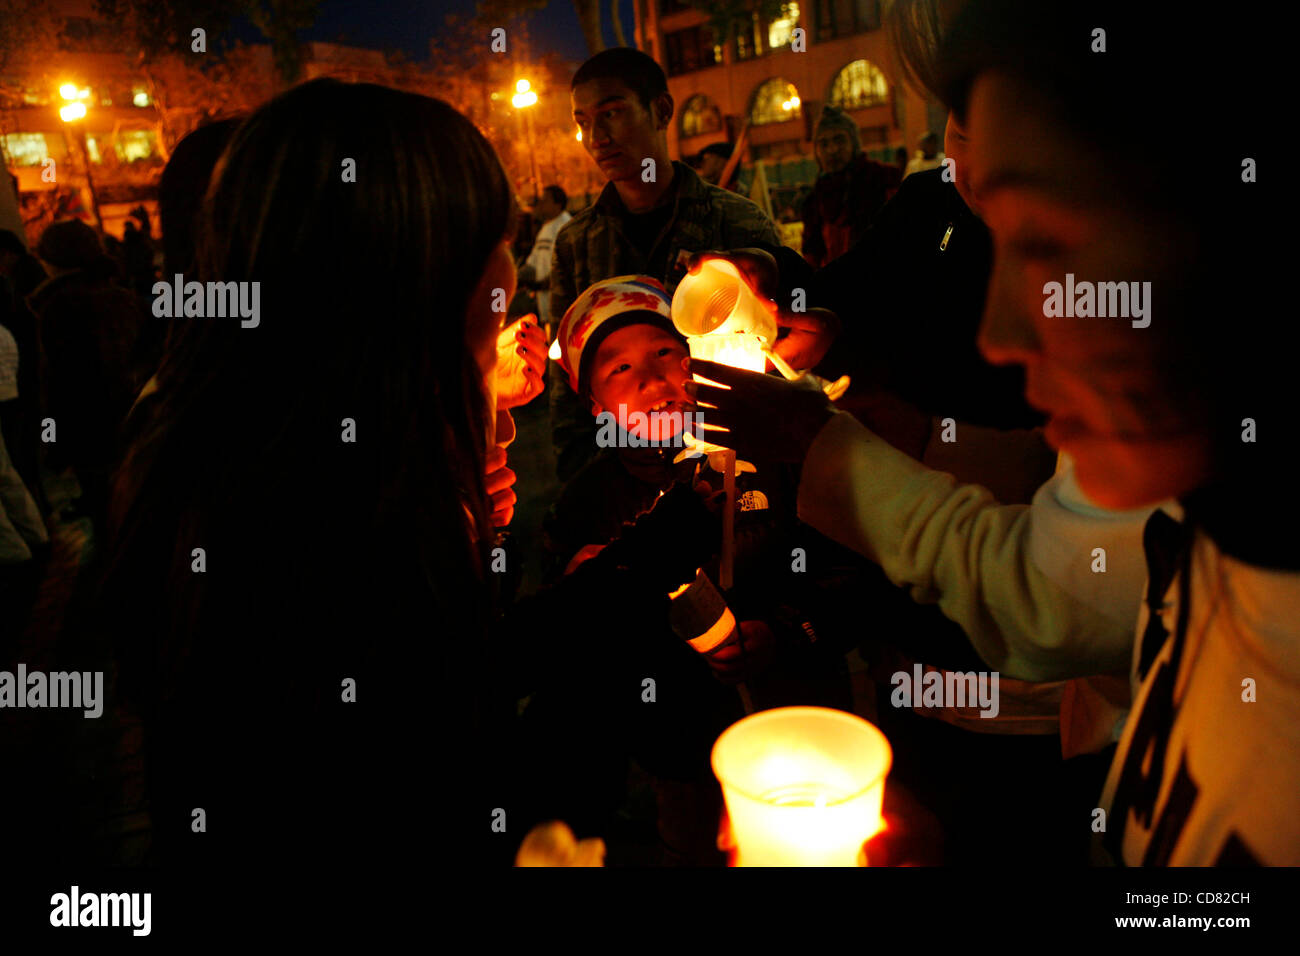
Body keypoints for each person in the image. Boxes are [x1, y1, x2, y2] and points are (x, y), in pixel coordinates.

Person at [51, 78, 719, 875]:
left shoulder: (276, 444)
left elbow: (450, 675)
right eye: (489, 252)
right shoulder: (302, 531)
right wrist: (615, 634)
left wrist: (602, 579)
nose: (509, 289)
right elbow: (444, 791)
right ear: (405, 289)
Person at [687, 0, 1293, 865]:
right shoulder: (1203, 578)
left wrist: (860, 445)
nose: (1001, 336)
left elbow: (1041, 595)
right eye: (954, 132)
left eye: (1048, 247)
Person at [549, 46, 784, 483]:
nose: (595, 136)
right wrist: (581, 479)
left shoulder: (734, 221)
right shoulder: (576, 242)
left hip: (731, 463)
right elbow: (568, 381)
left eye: (612, 113)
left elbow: (782, 345)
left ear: (660, 110)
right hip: (623, 472)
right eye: (582, 122)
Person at [27, 220, 146, 529]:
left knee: (107, 516)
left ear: (53, 260)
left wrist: (54, 443)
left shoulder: (57, 308)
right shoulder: (121, 297)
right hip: (134, 419)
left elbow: (61, 384)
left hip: (90, 430)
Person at [800, 105, 902, 268]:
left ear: (854, 143)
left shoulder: (883, 180)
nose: (832, 150)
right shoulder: (814, 201)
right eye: (823, 144)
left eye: (839, 140)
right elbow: (812, 259)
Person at [516, 185, 571, 328]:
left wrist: (547, 283)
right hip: (545, 306)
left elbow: (568, 264)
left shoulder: (566, 226)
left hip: (564, 309)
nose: (541, 204)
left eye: (545, 200)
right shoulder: (545, 229)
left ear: (558, 204)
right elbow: (533, 263)